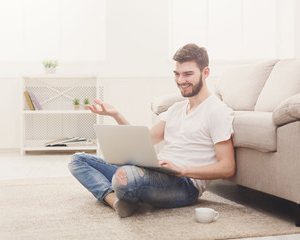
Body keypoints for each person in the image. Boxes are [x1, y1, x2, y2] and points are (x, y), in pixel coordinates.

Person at [68, 43, 235, 218]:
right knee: (78, 160)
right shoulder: (176, 109)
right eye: (177, 74)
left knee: (125, 176)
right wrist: (116, 114)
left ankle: (127, 191)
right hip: (156, 172)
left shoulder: (217, 111)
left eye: (188, 74)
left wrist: (182, 170)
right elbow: (143, 140)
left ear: (205, 73)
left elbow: (228, 167)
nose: (180, 80)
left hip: (184, 184)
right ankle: (115, 201)